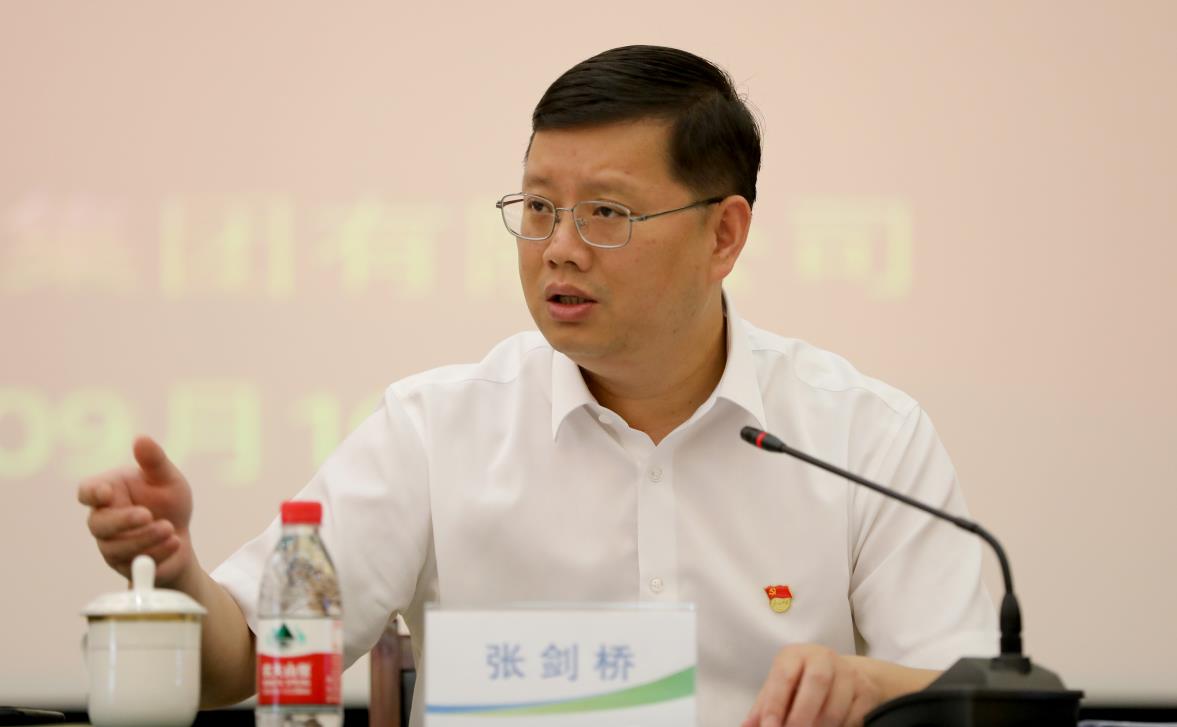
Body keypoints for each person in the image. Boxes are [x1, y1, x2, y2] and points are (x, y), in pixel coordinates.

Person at [77, 45, 997, 727]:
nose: (558, 247)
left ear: (723, 234)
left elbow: (983, 698)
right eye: (539, 207)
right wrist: (174, 570)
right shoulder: (436, 427)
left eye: (605, 212)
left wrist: (866, 684)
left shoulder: (862, 435)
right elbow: (244, 659)